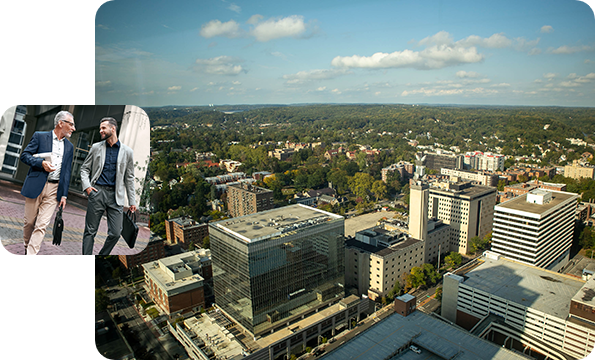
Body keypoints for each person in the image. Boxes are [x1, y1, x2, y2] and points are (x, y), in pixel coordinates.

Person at [20, 110, 75, 255]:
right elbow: (24, 156)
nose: (73, 128)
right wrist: (41, 163)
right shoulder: (40, 136)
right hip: (36, 184)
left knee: (41, 225)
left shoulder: (70, 147)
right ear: (60, 123)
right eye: (71, 124)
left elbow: (67, 171)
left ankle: (31, 254)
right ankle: (27, 248)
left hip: (54, 189)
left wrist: (64, 195)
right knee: (29, 223)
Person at [80, 117, 137, 255]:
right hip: (97, 192)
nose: (101, 131)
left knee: (116, 233)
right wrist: (87, 187)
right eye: (100, 128)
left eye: (103, 128)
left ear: (113, 128)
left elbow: (129, 178)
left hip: (115, 196)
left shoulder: (127, 152)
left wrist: (132, 201)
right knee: (90, 231)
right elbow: (84, 169)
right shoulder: (96, 148)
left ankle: (101, 255)